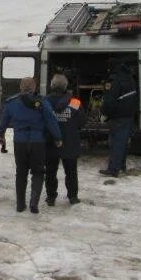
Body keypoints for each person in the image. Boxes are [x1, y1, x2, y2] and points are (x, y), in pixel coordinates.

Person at [0, 77, 62, 213]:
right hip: (38, 142)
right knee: (38, 172)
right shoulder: (42, 102)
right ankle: (34, 202)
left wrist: (1, 135)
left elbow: (4, 120)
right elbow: (51, 120)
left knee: (21, 172)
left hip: (20, 142)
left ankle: (20, 204)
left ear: (20, 87)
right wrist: (57, 137)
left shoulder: (12, 102)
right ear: (34, 87)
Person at [45, 74, 84, 205]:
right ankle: (73, 197)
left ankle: (51, 197)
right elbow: (82, 122)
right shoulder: (75, 102)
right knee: (71, 171)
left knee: (50, 171)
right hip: (70, 142)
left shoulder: (45, 102)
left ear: (52, 86)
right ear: (65, 87)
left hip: (50, 142)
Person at [100, 62, 138, 177]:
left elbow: (110, 101)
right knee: (123, 142)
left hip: (118, 117)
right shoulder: (130, 79)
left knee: (116, 142)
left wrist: (104, 113)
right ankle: (121, 165)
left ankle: (113, 169)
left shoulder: (117, 82)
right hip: (129, 116)